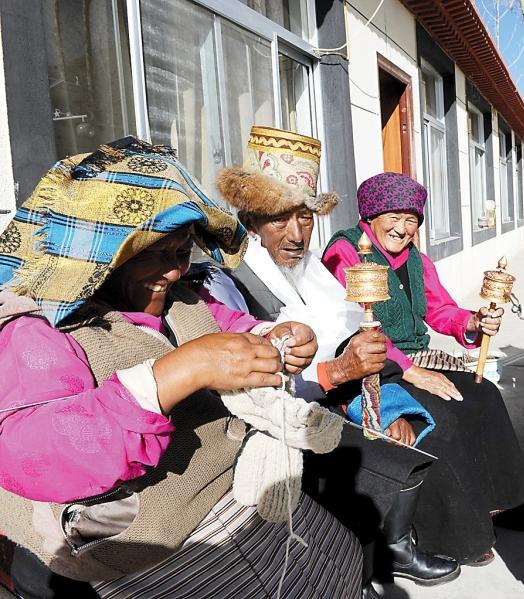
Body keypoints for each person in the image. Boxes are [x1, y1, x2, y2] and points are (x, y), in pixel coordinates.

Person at [0, 139, 363, 598]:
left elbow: (229, 327)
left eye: (180, 252)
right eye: (152, 253)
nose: (172, 272)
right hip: (142, 541)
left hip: (223, 489)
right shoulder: (37, 333)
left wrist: (274, 338)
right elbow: (33, 453)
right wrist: (175, 374)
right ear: (95, 255)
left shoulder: (185, 297)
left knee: (335, 568)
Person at [211, 126, 459, 590]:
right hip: (273, 416)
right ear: (249, 220)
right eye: (279, 219)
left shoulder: (306, 270)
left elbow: (351, 333)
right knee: (384, 461)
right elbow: (250, 380)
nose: (296, 233)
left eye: (304, 218)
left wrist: (382, 397)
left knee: (431, 420)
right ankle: (379, 556)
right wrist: (341, 374)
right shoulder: (232, 281)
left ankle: (404, 541)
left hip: (337, 391)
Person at [323, 172, 524, 566]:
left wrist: (472, 322)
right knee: (442, 418)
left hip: (413, 358)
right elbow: (348, 325)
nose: (402, 228)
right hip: (369, 364)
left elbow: (439, 309)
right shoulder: (346, 254)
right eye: (393, 216)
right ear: (370, 216)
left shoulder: (417, 261)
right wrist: (409, 370)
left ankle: (498, 501)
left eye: (411, 220)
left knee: (483, 394)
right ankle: (456, 536)